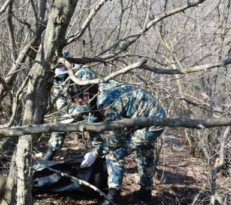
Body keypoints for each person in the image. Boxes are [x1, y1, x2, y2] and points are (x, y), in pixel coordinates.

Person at [65, 64, 166, 205]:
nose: (81, 104)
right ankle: (145, 192)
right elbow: (94, 119)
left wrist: (96, 152)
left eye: (80, 101)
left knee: (115, 152)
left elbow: (118, 139)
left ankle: (112, 196)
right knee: (144, 152)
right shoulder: (99, 88)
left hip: (153, 121)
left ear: (86, 94)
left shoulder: (106, 100)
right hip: (142, 118)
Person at [43, 58, 100, 160]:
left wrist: (71, 116)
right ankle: (48, 157)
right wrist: (65, 118)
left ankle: (99, 156)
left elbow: (87, 101)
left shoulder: (83, 73)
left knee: (94, 129)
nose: (59, 69)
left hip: (95, 109)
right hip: (75, 111)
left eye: (61, 66)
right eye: (57, 66)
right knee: (59, 127)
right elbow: (62, 105)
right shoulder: (58, 81)